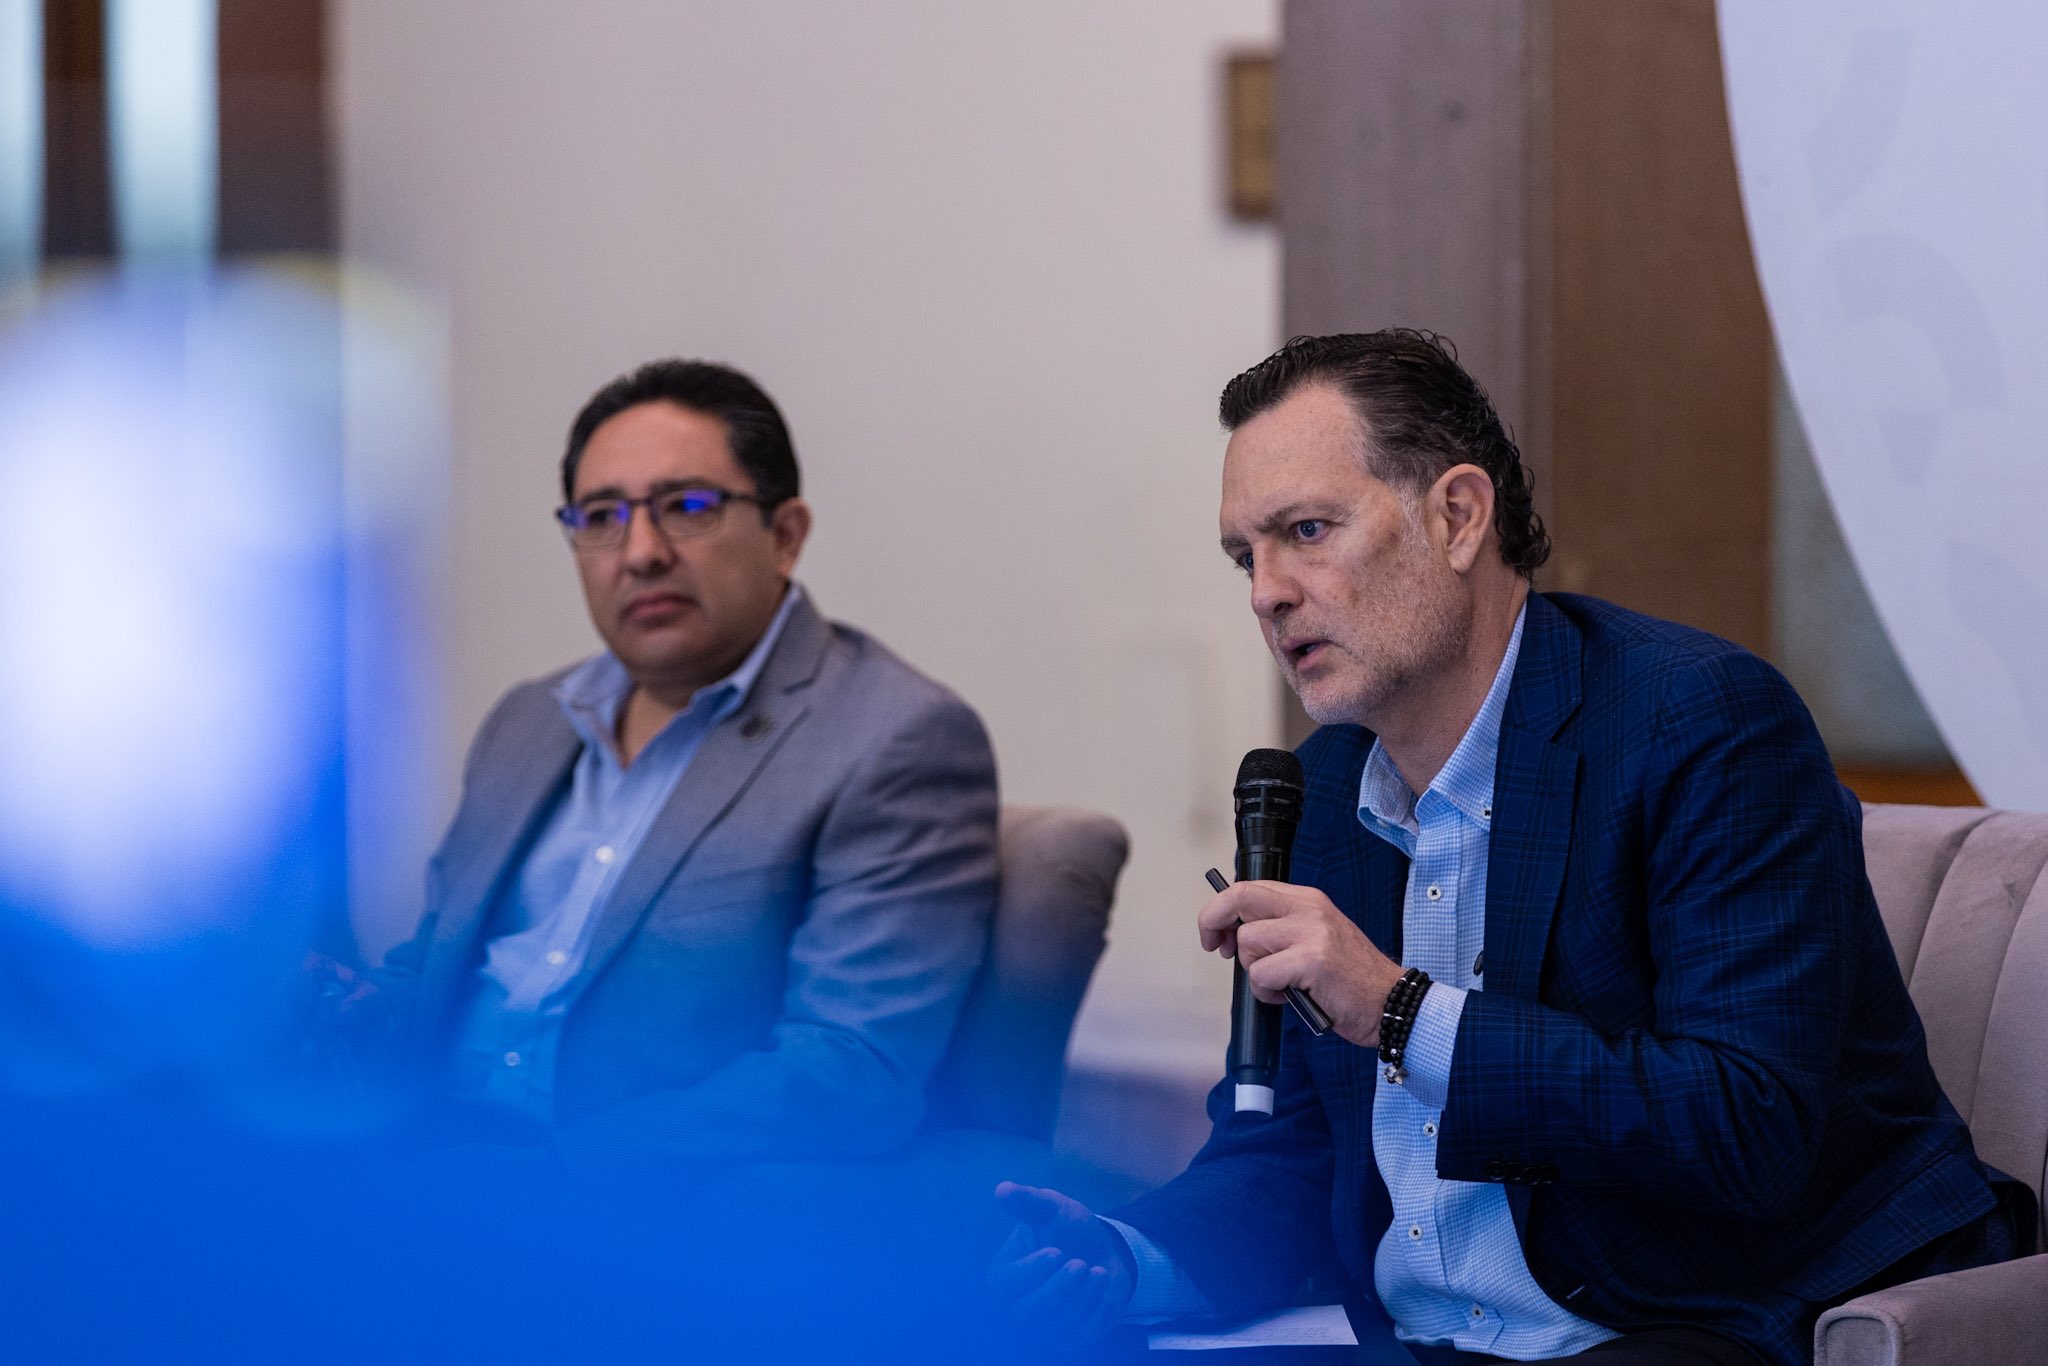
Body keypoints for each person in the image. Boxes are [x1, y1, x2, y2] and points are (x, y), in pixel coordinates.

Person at [990, 331, 2031, 1366]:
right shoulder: (1314, 794)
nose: (1266, 590)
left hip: (1694, 1314)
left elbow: (1741, 1126)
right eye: (1243, 555)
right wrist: (1120, 1257)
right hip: (1421, 1339)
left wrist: (1400, 1013)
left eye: (1306, 531)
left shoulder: (1701, 724)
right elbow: (1288, 1158)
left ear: (1456, 517)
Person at [361, 358, 1000, 1169]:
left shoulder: (897, 738)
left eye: (688, 507)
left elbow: (846, 1074)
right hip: (407, 1154)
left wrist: (539, 1175)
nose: (640, 553)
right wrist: (340, 1018)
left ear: (785, 536)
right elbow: (432, 971)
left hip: (618, 1200)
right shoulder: (527, 721)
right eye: (602, 516)